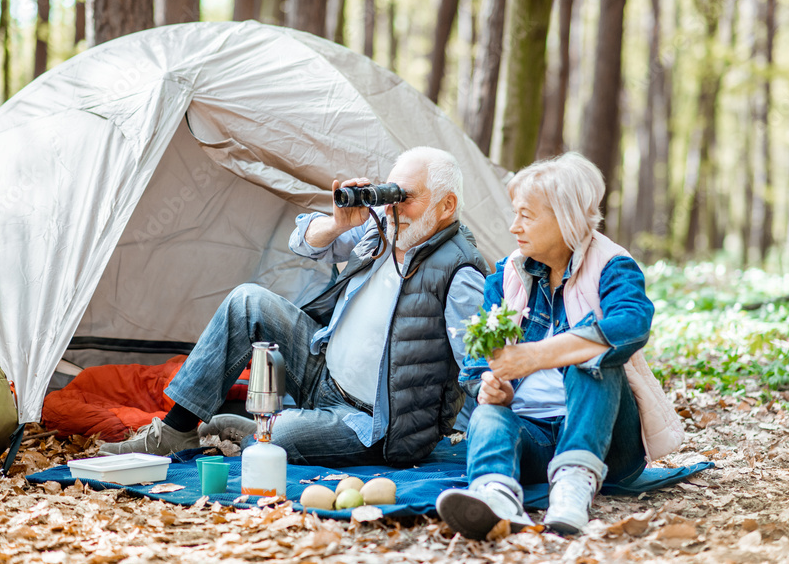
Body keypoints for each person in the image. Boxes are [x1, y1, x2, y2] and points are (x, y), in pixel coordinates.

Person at [101, 147, 488, 467]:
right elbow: (302, 240)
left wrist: (502, 422)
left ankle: (259, 429)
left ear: (446, 205)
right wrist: (338, 225)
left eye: (407, 198)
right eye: (391, 194)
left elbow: (478, 364)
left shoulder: (459, 271)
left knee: (278, 437)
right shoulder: (381, 229)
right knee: (247, 300)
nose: (393, 207)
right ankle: (174, 431)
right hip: (323, 376)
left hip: (373, 424)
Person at [436, 152, 678, 538]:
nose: (514, 226)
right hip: (531, 433)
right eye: (515, 213)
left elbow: (631, 325)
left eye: (526, 216)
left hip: (609, 442)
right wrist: (490, 385)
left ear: (566, 218)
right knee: (487, 416)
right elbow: (478, 359)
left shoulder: (613, 265)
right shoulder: (508, 274)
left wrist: (535, 356)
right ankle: (496, 494)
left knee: (591, 356)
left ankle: (573, 484)